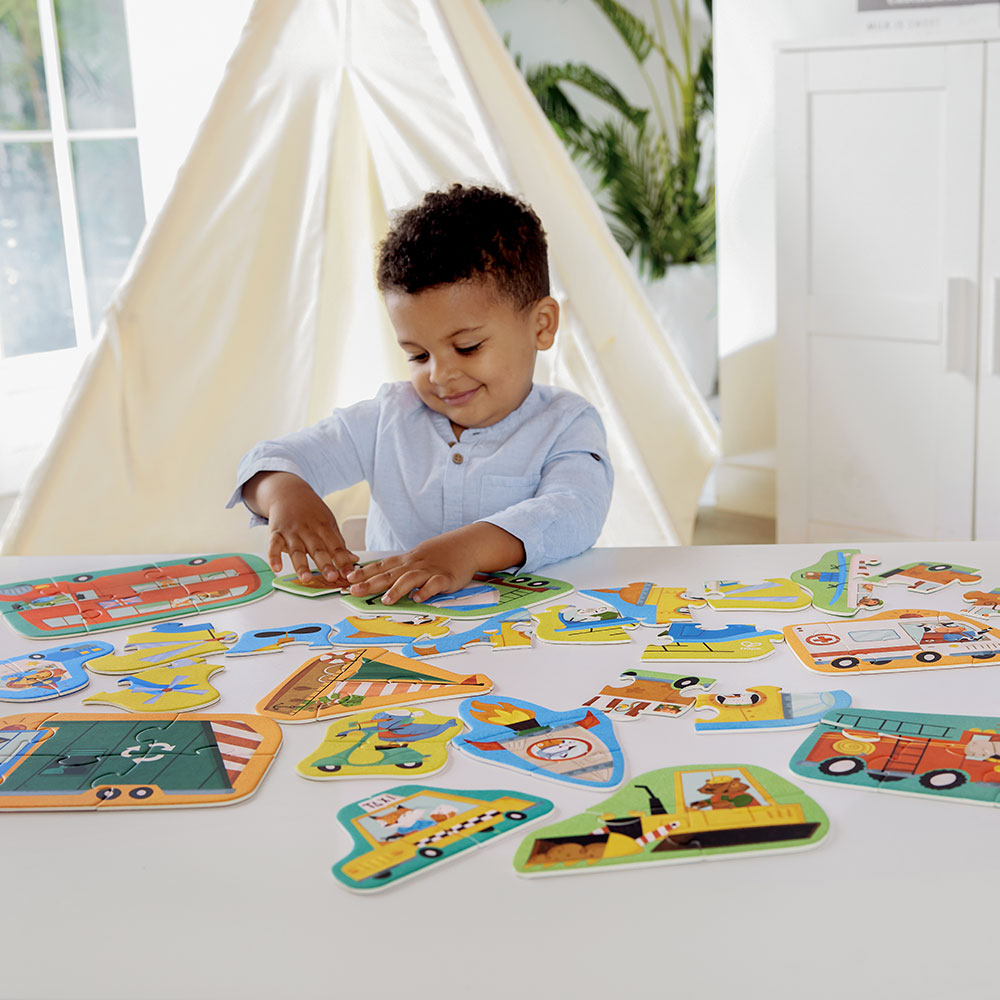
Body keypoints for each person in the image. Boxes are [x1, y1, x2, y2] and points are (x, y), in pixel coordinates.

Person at [228, 183, 613, 605]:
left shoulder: (567, 424)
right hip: (391, 627)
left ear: (541, 325)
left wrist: (465, 550)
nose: (441, 375)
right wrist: (285, 493)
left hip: (526, 628)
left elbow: (575, 510)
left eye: (467, 347)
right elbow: (267, 460)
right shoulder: (388, 417)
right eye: (418, 355)